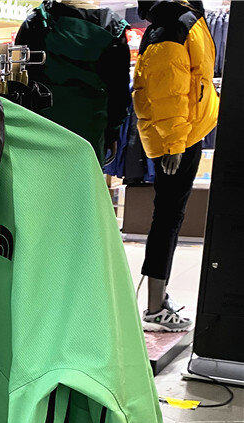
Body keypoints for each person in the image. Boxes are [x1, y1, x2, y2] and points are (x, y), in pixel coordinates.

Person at [133, 0, 219, 331]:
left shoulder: (178, 18)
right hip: (178, 139)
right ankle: (155, 307)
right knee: (168, 217)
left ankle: (158, 297)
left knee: (169, 216)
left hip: (185, 132)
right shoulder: (173, 24)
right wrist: (173, 143)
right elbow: (168, 89)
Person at [16, 0, 131, 163]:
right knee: (85, 176)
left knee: (43, 176)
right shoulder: (113, 30)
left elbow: (20, 82)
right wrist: (112, 134)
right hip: (91, 130)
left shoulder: (36, 23)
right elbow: (119, 94)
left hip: (43, 127)